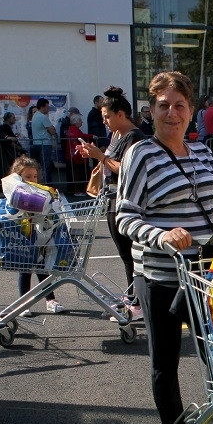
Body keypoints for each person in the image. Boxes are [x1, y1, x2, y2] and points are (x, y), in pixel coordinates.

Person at [116, 71, 213, 424]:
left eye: (179, 105)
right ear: (151, 110)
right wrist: (160, 235)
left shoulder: (204, 154)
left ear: (191, 111)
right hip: (160, 278)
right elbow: (125, 217)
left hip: (205, 274)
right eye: (163, 106)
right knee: (166, 361)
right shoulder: (139, 155)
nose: (171, 113)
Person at [78, 86, 147, 321]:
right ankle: (133, 297)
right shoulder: (117, 135)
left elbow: (125, 169)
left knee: (132, 255)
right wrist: (93, 154)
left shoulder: (134, 137)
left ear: (121, 114)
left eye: (107, 116)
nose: (105, 121)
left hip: (125, 201)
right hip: (111, 199)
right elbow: (109, 163)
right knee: (126, 255)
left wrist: (101, 157)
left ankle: (138, 305)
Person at [8, 156, 65, 315]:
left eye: (34, 176)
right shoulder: (14, 193)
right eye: (27, 177)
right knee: (25, 269)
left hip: (39, 236)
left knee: (41, 267)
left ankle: (50, 299)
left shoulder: (40, 191)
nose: (32, 179)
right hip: (22, 236)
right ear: (18, 178)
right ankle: (24, 302)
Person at [29, 98, 59, 183]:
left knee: (40, 166)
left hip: (37, 143)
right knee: (46, 166)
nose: (48, 108)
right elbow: (52, 131)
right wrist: (52, 129)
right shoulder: (43, 117)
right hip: (44, 144)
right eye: (47, 106)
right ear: (42, 106)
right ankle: (47, 185)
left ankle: (41, 183)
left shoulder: (35, 116)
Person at [65, 112, 95, 189]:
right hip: (77, 155)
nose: (82, 122)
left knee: (78, 172)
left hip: (73, 154)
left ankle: (79, 189)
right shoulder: (74, 130)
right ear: (76, 122)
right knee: (79, 173)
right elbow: (80, 136)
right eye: (80, 120)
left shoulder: (71, 129)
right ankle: (80, 189)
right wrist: (91, 136)